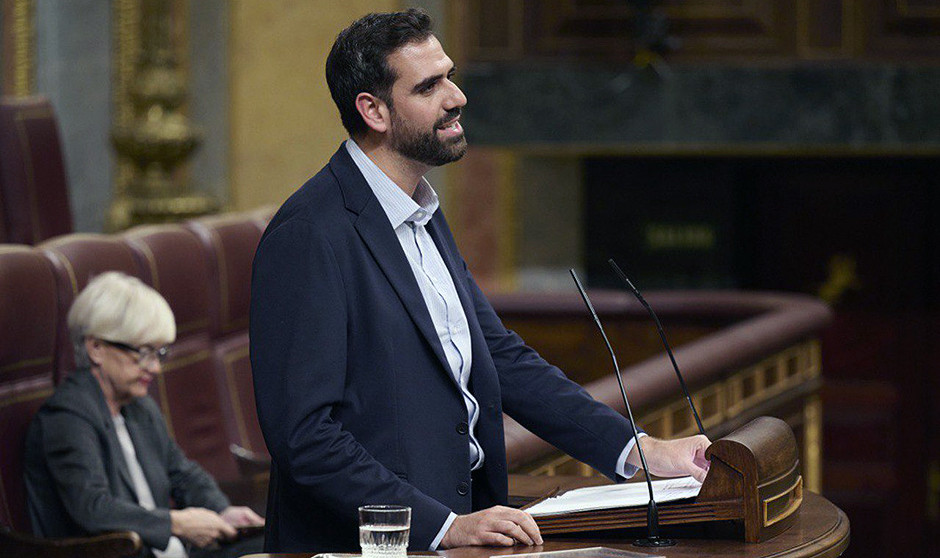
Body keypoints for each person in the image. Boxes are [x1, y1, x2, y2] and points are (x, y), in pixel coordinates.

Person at [249, 8, 710, 554]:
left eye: (450, 74)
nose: (456, 96)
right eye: (429, 86)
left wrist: (639, 450)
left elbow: (498, 356)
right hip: (377, 545)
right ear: (373, 110)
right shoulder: (309, 233)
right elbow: (305, 439)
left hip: (464, 526)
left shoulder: (419, 207)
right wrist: (443, 527)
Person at [24, 272, 264, 558]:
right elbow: (93, 509)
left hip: (168, 552)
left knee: (274, 544)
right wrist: (177, 523)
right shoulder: (66, 417)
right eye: (143, 353)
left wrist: (222, 511)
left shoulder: (139, 407)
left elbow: (182, 474)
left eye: (159, 353)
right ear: (96, 348)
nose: (155, 368)